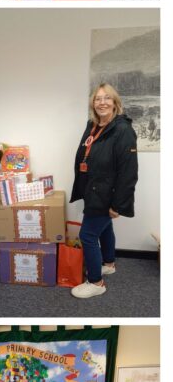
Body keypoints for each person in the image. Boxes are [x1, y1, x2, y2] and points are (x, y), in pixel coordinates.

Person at [69, 83, 138, 299]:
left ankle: (96, 282)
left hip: (106, 193)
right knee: (105, 228)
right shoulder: (93, 125)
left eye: (107, 98)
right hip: (93, 189)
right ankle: (108, 263)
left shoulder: (123, 130)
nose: (102, 102)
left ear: (115, 103)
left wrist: (117, 205)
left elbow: (128, 172)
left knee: (87, 235)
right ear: (93, 104)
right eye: (98, 99)